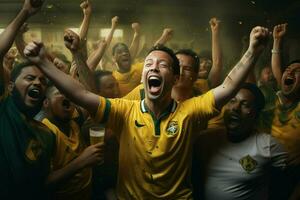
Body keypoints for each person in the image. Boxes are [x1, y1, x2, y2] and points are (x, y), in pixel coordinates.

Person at [24, 25, 269, 199]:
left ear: (174, 78)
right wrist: (42, 63)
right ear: (143, 77)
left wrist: (253, 50)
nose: (154, 67)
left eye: (163, 65)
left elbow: (227, 86)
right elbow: (82, 94)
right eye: (149, 64)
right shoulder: (125, 111)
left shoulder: (190, 111)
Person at [193, 83, 287, 200]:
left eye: (245, 104)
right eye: (232, 101)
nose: (235, 108)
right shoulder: (205, 140)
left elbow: (284, 187)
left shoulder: (269, 146)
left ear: (256, 114)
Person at [0, 1, 55, 199]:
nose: (38, 83)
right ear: (11, 87)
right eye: (30, 79)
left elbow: (42, 183)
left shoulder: (46, 135)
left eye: (42, 80)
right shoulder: (4, 110)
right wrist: (25, 12)